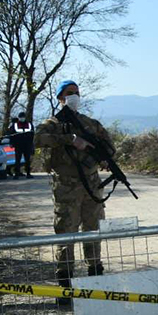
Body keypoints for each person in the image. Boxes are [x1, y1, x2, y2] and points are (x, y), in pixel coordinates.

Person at [34, 80, 114, 287]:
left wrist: (104, 157)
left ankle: (95, 276)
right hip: (67, 186)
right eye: (69, 93)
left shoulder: (89, 123)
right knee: (66, 233)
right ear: (60, 98)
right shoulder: (52, 124)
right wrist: (69, 139)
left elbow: (108, 144)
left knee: (93, 230)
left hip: (92, 184)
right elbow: (37, 139)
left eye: (77, 93)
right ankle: (65, 281)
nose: (74, 96)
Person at [10, 110, 35, 178]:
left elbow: (32, 134)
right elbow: (11, 135)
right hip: (18, 145)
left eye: (23, 117)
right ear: (19, 118)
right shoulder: (15, 125)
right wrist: (12, 143)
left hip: (27, 144)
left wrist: (32, 144)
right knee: (17, 160)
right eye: (21, 117)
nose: (22, 118)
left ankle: (28, 173)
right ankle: (17, 173)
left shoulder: (29, 124)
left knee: (27, 160)